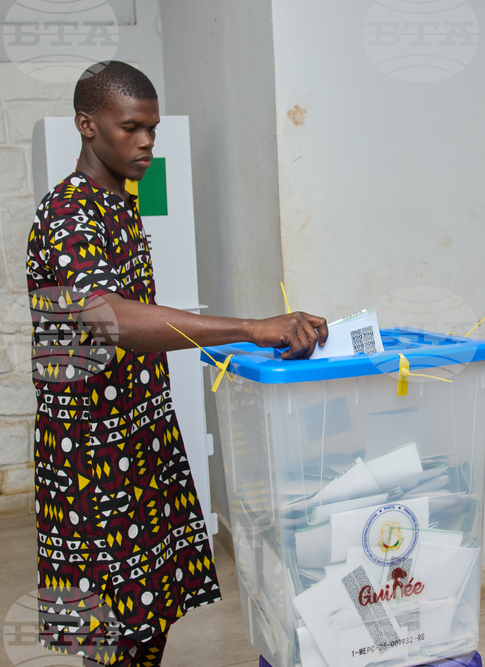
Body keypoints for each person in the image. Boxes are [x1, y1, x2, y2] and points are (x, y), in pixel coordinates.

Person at [27, 61, 329, 666]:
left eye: (154, 130)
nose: (145, 143)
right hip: (93, 452)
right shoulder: (68, 210)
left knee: (149, 615)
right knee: (114, 631)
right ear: (87, 125)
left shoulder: (118, 201)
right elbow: (106, 315)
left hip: (139, 435)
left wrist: (255, 342)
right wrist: (248, 325)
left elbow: (140, 317)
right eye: (131, 128)